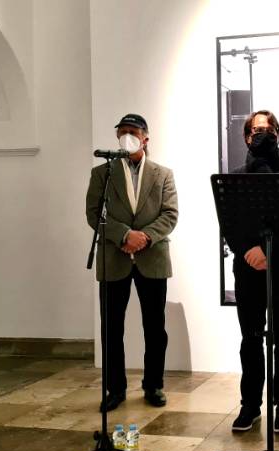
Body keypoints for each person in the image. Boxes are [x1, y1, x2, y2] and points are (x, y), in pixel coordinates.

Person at [86, 113, 179, 412]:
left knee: (155, 327)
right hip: (114, 258)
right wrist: (124, 235)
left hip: (152, 258)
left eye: (133, 131)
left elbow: (170, 214)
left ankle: (154, 385)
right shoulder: (102, 173)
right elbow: (94, 214)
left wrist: (144, 237)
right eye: (122, 131)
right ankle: (115, 389)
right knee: (112, 328)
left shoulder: (163, 174)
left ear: (145, 138)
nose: (127, 136)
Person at [223, 110, 279, 434]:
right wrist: (249, 250)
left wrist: (269, 251)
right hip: (247, 266)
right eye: (257, 130)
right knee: (251, 338)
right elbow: (230, 223)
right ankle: (250, 405)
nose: (263, 134)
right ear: (246, 137)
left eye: (269, 129)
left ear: (278, 134)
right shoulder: (236, 176)